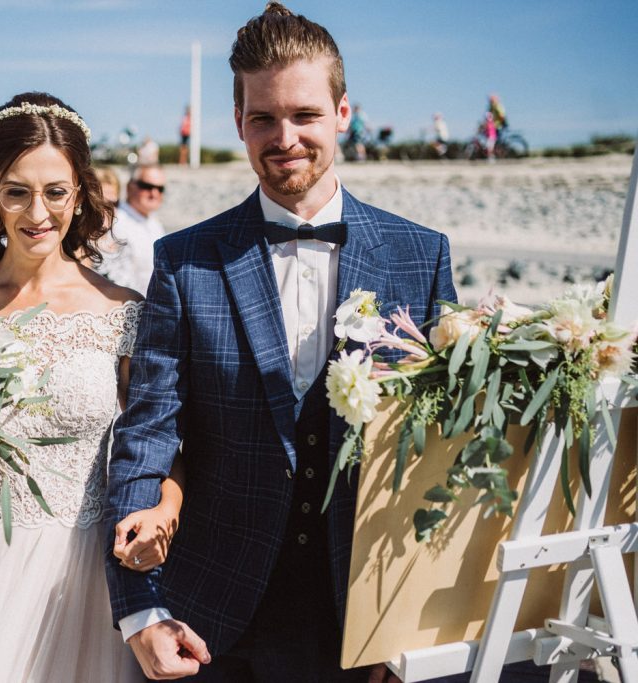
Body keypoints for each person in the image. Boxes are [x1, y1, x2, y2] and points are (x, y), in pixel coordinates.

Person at [105, 4, 457, 681]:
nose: (284, 136)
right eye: (262, 117)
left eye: (305, 115)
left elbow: (435, 457)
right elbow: (145, 435)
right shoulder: (184, 261)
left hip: (364, 617)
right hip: (208, 619)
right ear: (238, 123)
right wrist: (141, 612)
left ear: (344, 112)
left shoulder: (422, 256)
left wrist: (410, 617)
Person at [0, 91, 182, 683]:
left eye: (55, 191)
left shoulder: (122, 310)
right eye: (16, 191)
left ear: (79, 194)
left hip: (86, 572)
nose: (38, 213)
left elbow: (163, 438)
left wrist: (166, 507)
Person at [100, 164, 167, 293]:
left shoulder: (154, 222)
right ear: (130, 187)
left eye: (160, 188)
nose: (154, 193)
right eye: (146, 186)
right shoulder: (114, 222)